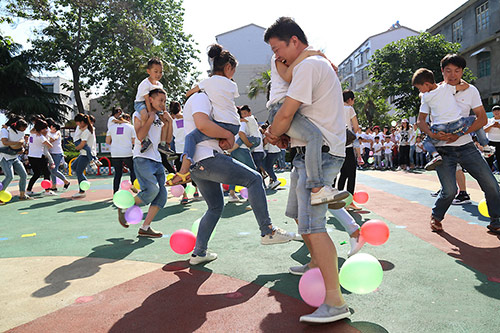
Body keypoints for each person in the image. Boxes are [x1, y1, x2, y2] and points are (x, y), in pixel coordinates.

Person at [264, 16, 352, 324]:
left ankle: (335, 302)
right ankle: (316, 263)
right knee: (303, 222)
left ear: (295, 42)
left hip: (322, 155)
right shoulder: (309, 64)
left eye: (278, 50)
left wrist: (272, 134)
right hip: (307, 154)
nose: (277, 58)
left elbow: (287, 112)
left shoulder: (307, 67)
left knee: (314, 227)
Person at [182, 90, 294, 265]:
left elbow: (197, 132)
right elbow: (201, 128)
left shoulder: (197, 102)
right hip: (208, 159)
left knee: (215, 207)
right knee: (255, 179)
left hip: (199, 165)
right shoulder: (203, 98)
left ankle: (199, 252)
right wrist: (226, 135)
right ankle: (268, 231)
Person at [417, 54, 500, 234]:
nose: (452, 75)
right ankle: (436, 217)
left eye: (457, 70)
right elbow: (421, 121)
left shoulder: (471, 91)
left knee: (491, 184)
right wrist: (431, 133)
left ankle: (496, 221)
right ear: (442, 71)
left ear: (462, 71)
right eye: (448, 71)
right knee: (449, 191)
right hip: (443, 149)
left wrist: (461, 133)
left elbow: (482, 118)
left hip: (466, 146)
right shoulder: (432, 92)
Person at [170, 44, 241, 186]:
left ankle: (183, 170)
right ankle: (222, 149)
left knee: (191, 137)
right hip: (234, 124)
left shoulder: (206, 83)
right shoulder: (232, 85)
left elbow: (188, 93)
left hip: (222, 124)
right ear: (228, 67)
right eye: (234, 70)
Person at [412, 68, 492, 171]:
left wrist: (423, 94)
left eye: (419, 88)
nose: (420, 91)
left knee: (426, 142)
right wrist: (458, 78)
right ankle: (485, 145)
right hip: (457, 123)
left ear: (427, 84)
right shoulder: (446, 87)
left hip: (439, 127)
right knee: (475, 120)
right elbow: (465, 86)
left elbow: (422, 96)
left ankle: (435, 156)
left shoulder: (425, 96)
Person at [117, 88, 172, 238]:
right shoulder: (138, 114)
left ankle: (145, 227)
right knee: (152, 190)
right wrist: (150, 118)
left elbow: (167, 140)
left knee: (161, 196)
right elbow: (141, 136)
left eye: (165, 101)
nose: (163, 104)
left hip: (157, 159)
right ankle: (125, 206)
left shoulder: (160, 118)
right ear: (150, 100)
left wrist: (169, 122)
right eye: (160, 100)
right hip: (142, 158)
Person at [134, 57, 173, 155]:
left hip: (153, 105)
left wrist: (164, 111)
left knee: (165, 121)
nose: (158, 74)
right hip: (141, 102)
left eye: (160, 72)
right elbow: (147, 99)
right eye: (155, 71)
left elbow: (162, 99)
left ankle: (163, 143)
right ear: (148, 71)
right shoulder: (145, 84)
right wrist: (150, 112)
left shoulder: (159, 85)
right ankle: (145, 139)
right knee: (144, 115)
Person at [336, 90, 362, 210]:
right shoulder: (349, 109)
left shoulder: (336, 108)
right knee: (351, 174)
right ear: (350, 99)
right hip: (348, 145)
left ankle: (339, 199)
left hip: (337, 145)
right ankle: (349, 202)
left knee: (343, 174)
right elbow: (356, 128)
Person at [0, 116, 31, 201]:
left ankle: (22, 195)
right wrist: (18, 144)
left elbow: (21, 144)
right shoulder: (4, 130)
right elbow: (5, 142)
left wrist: (21, 148)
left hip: (14, 156)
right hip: (4, 156)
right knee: (9, 176)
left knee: (24, 175)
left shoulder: (19, 132)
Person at [106, 113, 137, 194]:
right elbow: (134, 141)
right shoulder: (130, 127)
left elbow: (107, 141)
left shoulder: (111, 128)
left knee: (118, 173)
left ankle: (115, 191)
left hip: (115, 153)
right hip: (127, 152)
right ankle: (133, 185)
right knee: (132, 169)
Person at [26, 118, 56, 196]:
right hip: (39, 156)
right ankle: (47, 190)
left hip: (31, 156)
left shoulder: (32, 134)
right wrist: (45, 138)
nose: (46, 129)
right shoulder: (41, 137)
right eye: (45, 128)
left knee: (36, 174)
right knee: (47, 173)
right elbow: (50, 145)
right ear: (41, 129)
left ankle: (28, 190)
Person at [71, 114, 96, 198]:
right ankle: (85, 182)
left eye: (78, 123)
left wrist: (77, 148)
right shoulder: (87, 128)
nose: (77, 125)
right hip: (83, 153)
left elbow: (82, 144)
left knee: (79, 171)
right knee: (73, 166)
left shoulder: (86, 131)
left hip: (85, 154)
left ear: (82, 122)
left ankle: (82, 191)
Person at [46, 118, 70, 191]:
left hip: (57, 153)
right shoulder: (49, 132)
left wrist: (47, 138)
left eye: (52, 127)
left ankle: (66, 181)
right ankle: (54, 186)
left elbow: (53, 139)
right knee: (51, 170)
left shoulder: (57, 132)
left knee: (54, 170)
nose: (51, 128)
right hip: (51, 153)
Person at [484, 105, 500, 171]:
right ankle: (488, 178)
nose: (496, 112)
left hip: (499, 142)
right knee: (488, 160)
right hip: (490, 142)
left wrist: (499, 126)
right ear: (492, 112)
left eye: (498, 110)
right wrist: (491, 126)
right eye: (495, 111)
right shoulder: (489, 120)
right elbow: (484, 130)